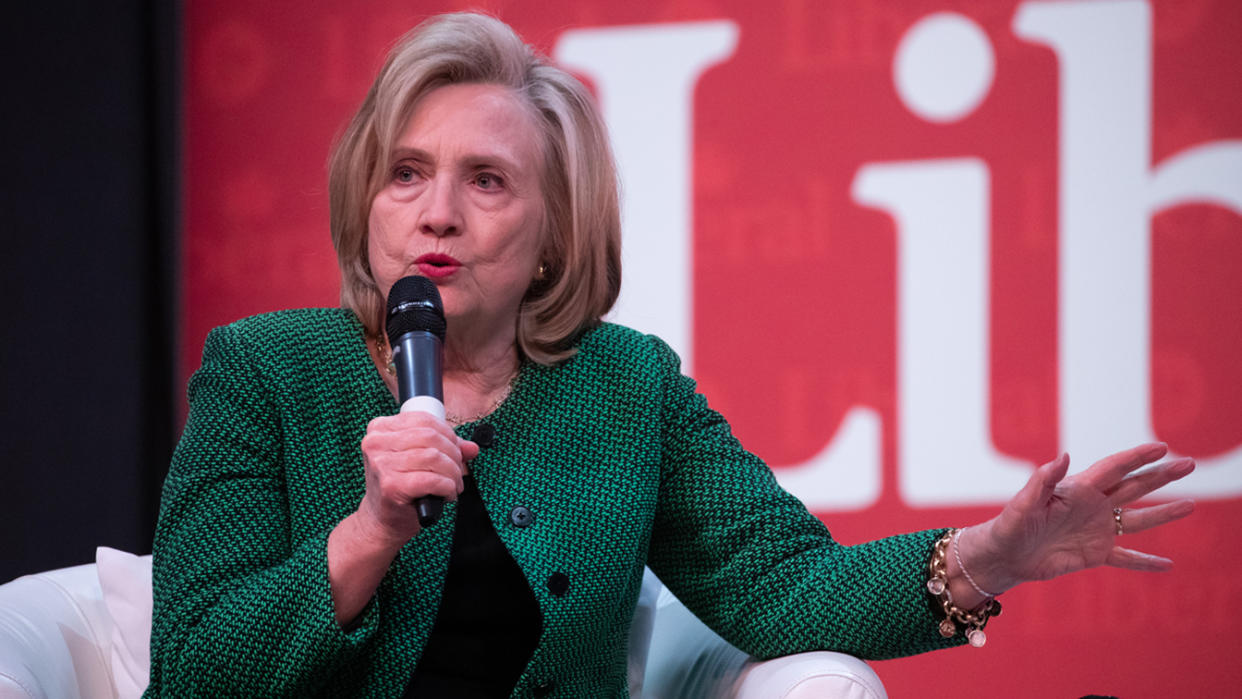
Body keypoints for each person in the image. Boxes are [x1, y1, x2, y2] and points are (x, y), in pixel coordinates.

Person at [145, 11, 1196, 698]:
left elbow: (788, 587)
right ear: (364, 200)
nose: (439, 214)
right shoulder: (263, 370)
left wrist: (990, 556)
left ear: (557, 232)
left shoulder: (625, 386)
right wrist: (369, 534)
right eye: (406, 174)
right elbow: (191, 667)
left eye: (488, 181)